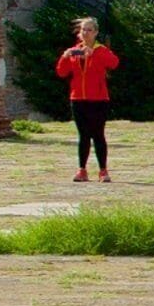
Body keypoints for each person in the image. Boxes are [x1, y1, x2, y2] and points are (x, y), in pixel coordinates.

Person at [54, 16, 120, 182]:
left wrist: (94, 55)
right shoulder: (75, 51)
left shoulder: (101, 50)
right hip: (78, 98)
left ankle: (103, 170)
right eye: (83, 30)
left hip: (98, 99)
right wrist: (65, 56)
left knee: (98, 134)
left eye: (89, 30)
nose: (85, 33)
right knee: (83, 135)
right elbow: (62, 72)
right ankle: (82, 169)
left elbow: (114, 63)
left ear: (96, 32)